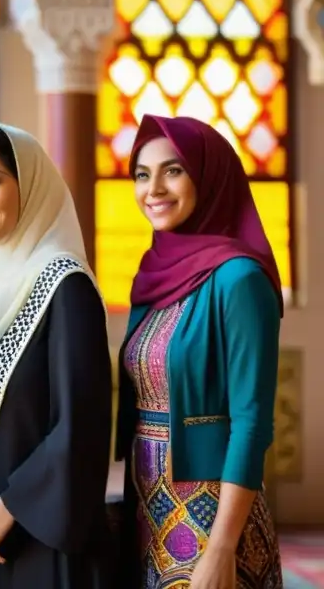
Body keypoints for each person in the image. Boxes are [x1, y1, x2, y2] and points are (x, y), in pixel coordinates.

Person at [0, 118, 111, 588]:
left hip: (45, 539)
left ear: (30, 184)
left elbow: (82, 426)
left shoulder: (64, 285)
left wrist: (9, 509)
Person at [117, 115, 283, 588]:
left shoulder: (239, 279)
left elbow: (252, 424)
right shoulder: (154, 277)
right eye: (142, 174)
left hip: (213, 518)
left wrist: (222, 548)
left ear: (209, 176)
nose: (154, 189)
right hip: (151, 512)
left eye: (173, 170)